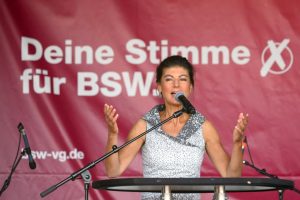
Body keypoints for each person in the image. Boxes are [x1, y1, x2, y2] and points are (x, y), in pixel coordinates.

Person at [103, 55, 249, 200]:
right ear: (159, 87)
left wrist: (237, 145)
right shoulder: (146, 125)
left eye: (183, 79)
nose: (176, 85)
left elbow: (232, 176)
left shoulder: (203, 127)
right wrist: (112, 134)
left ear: (190, 87)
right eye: (169, 79)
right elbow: (113, 170)